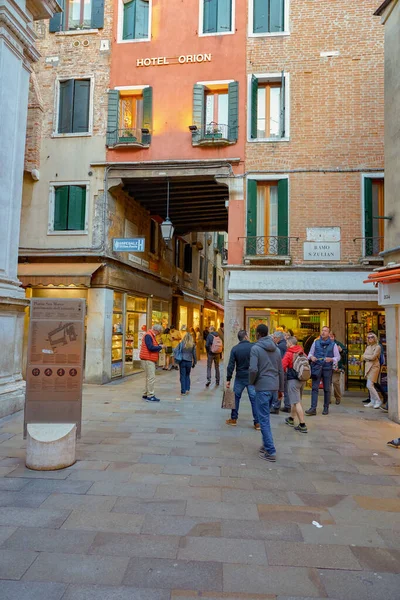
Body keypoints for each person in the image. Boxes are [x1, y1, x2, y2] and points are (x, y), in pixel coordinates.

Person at [249, 324, 284, 463]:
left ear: (258, 334)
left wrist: (252, 382)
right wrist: (281, 389)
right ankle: (265, 445)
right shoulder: (276, 350)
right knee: (265, 416)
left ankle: (270, 450)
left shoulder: (256, 349)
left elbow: (252, 369)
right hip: (274, 387)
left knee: (263, 419)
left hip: (262, 387)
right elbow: (281, 370)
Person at [225, 330, 259, 430]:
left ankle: (234, 419)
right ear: (246, 336)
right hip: (251, 377)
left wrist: (228, 379)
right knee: (254, 399)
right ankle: (257, 422)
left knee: (236, 398)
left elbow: (231, 365)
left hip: (240, 376)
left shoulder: (235, 349)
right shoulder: (254, 347)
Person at [306, 326, 340, 416]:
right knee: (314, 388)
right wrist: (311, 357)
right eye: (322, 330)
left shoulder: (333, 345)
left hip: (327, 368)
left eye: (325, 331)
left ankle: (326, 407)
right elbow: (310, 354)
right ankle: (313, 408)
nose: (323, 332)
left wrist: (331, 359)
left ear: (329, 334)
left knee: (327, 388)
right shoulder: (315, 343)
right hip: (317, 367)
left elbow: (337, 357)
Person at [282, 336, 308, 433]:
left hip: (293, 380)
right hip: (302, 379)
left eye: (286, 343)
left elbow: (282, 366)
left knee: (297, 402)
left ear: (289, 343)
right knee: (296, 399)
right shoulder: (302, 351)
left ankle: (302, 424)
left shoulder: (289, 353)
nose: (285, 344)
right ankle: (291, 419)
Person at [139, 323, 163, 402]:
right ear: (156, 330)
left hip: (148, 358)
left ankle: (145, 393)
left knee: (149, 377)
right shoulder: (148, 335)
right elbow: (150, 347)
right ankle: (150, 395)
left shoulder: (150, 335)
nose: (159, 333)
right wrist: (160, 347)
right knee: (151, 377)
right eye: (159, 332)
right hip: (148, 359)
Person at [362, 332, 382, 408]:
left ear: (375, 338)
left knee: (369, 385)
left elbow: (373, 357)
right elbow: (363, 356)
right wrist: (367, 357)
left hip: (374, 367)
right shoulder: (368, 347)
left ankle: (378, 400)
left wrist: (366, 357)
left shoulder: (378, 347)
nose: (370, 338)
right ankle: (372, 401)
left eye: (372, 337)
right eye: (368, 337)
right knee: (370, 385)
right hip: (368, 367)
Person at [271, 330, 289, 414]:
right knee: (285, 389)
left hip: (282, 370)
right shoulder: (285, 344)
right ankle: (287, 405)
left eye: (274, 337)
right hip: (287, 370)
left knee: (279, 389)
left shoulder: (279, 347)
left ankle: (276, 407)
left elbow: (279, 360)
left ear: (278, 338)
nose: (273, 339)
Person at [330, 332, 347, 405]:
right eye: (329, 336)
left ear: (334, 337)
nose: (330, 338)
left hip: (337, 366)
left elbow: (345, 352)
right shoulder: (324, 344)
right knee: (327, 383)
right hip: (327, 366)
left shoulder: (338, 344)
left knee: (335, 382)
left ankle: (338, 397)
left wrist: (341, 351)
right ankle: (327, 398)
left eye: (332, 336)